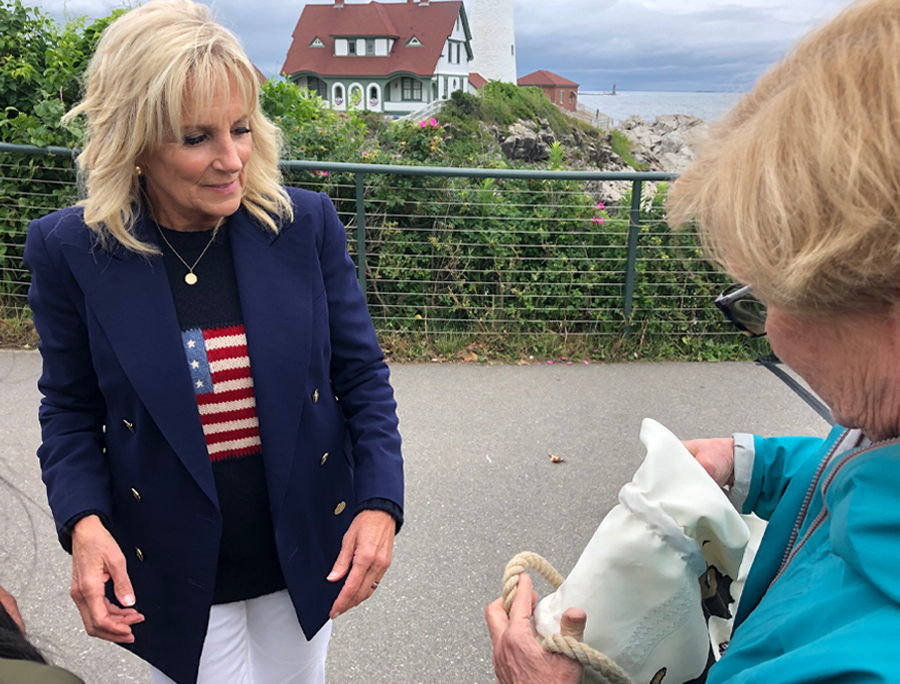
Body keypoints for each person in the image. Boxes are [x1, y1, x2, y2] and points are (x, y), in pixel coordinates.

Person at [486, 0, 900, 681]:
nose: (764, 326)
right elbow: (863, 472)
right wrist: (753, 465)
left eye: (767, 294)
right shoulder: (879, 427)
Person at [24, 1, 404, 682]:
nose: (232, 159)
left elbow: (361, 376)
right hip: (171, 561)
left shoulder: (303, 223)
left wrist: (380, 503)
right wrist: (82, 524)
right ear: (134, 142)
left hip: (303, 549)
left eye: (241, 128)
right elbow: (71, 411)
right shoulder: (71, 250)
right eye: (197, 138)